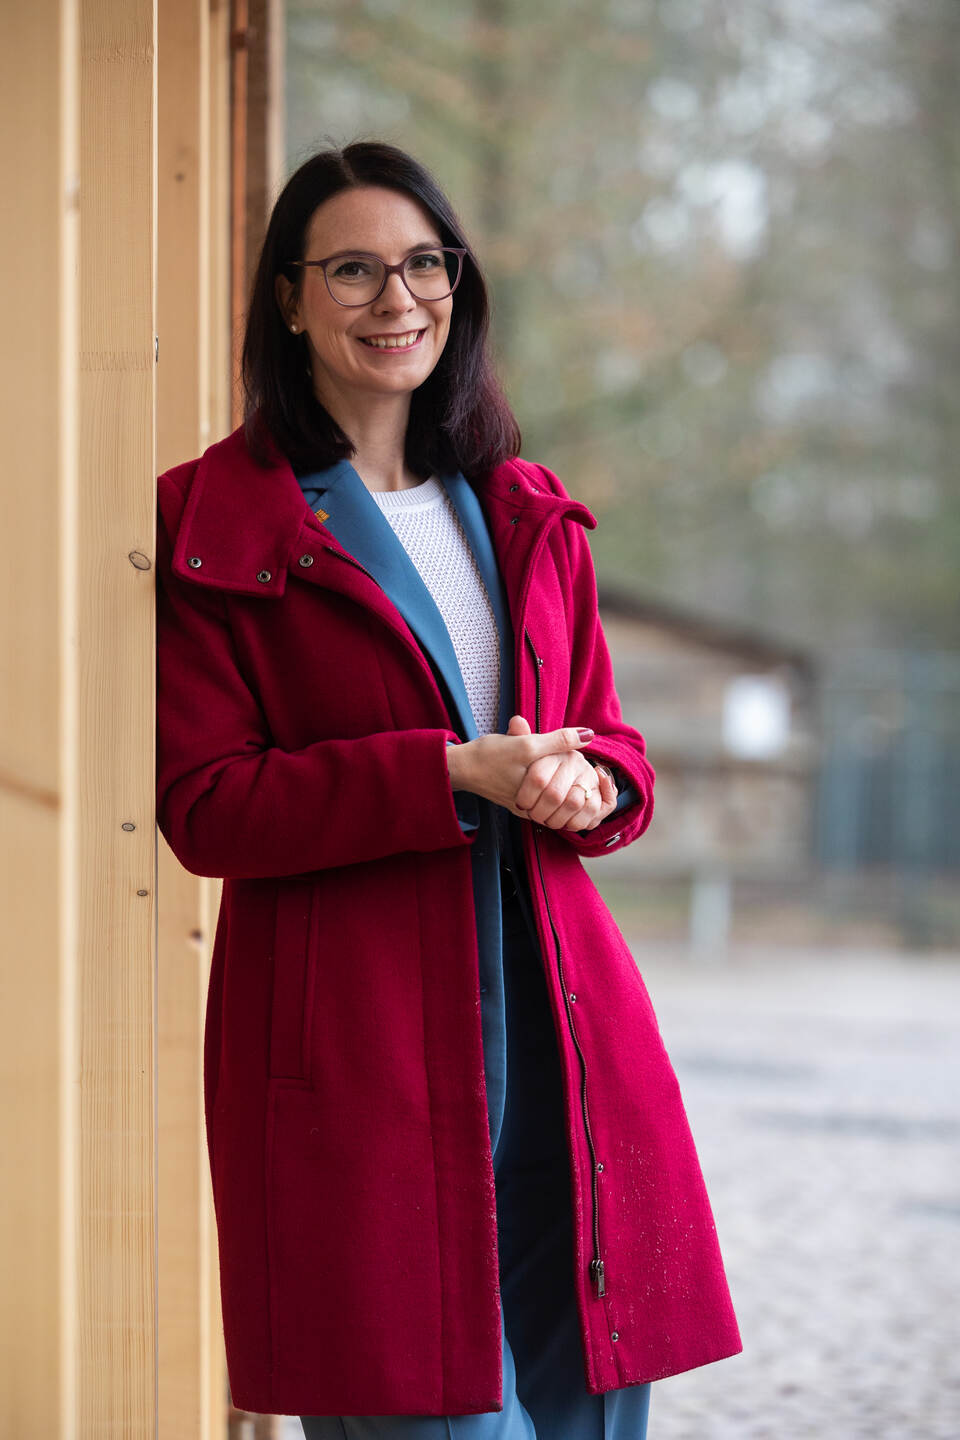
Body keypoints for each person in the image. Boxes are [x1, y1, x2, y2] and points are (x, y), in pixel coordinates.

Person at [154, 140, 742, 1438]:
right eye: (353, 269)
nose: (396, 299)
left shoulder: (525, 509)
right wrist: (445, 776)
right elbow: (207, 805)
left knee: (591, 1398)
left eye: (424, 264)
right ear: (288, 298)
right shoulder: (219, 521)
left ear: (459, 287)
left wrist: (589, 783)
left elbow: (614, 743)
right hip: (358, 1043)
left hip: (560, 1020)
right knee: (418, 1410)